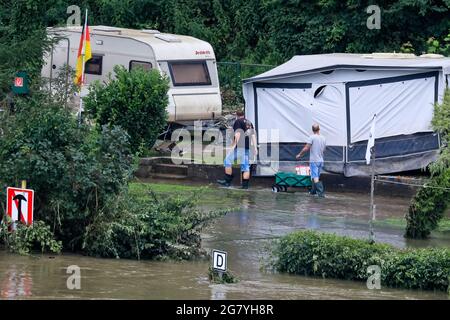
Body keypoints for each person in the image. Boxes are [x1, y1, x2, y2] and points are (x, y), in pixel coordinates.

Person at [217, 110, 257, 189]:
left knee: (227, 160)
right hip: (248, 148)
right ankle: (245, 187)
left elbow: (238, 134)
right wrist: (255, 147)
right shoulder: (249, 122)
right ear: (244, 114)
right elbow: (253, 136)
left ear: (236, 115)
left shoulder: (238, 122)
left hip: (239, 148)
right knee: (246, 167)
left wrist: (234, 145)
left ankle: (227, 181)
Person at [296, 123, 326, 197]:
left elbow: (306, 148)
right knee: (315, 176)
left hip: (314, 161)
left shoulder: (312, 137)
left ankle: (321, 194)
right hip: (321, 160)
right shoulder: (323, 138)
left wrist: (299, 154)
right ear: (319, 129)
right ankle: (313, 192)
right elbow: (324, 149)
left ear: (312, 130)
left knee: (315, 177)